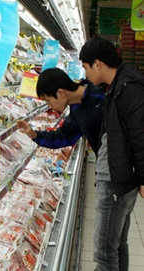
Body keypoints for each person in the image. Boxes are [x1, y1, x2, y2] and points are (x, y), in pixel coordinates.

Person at [79, 36, 144, 271]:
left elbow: (140, 137)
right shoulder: (118, 86)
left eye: (86, 68)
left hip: (116, 181)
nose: (85, 74)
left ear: (98, 64)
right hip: (120, 177)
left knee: (105, 253)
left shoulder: (128, 88)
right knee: (117, 245)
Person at [16, 67, 104, 156]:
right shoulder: (77, 109)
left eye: (48, 100)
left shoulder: (100, 96)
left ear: (61, 92)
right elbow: (66, 136)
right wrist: (34, 134)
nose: (49, 106)